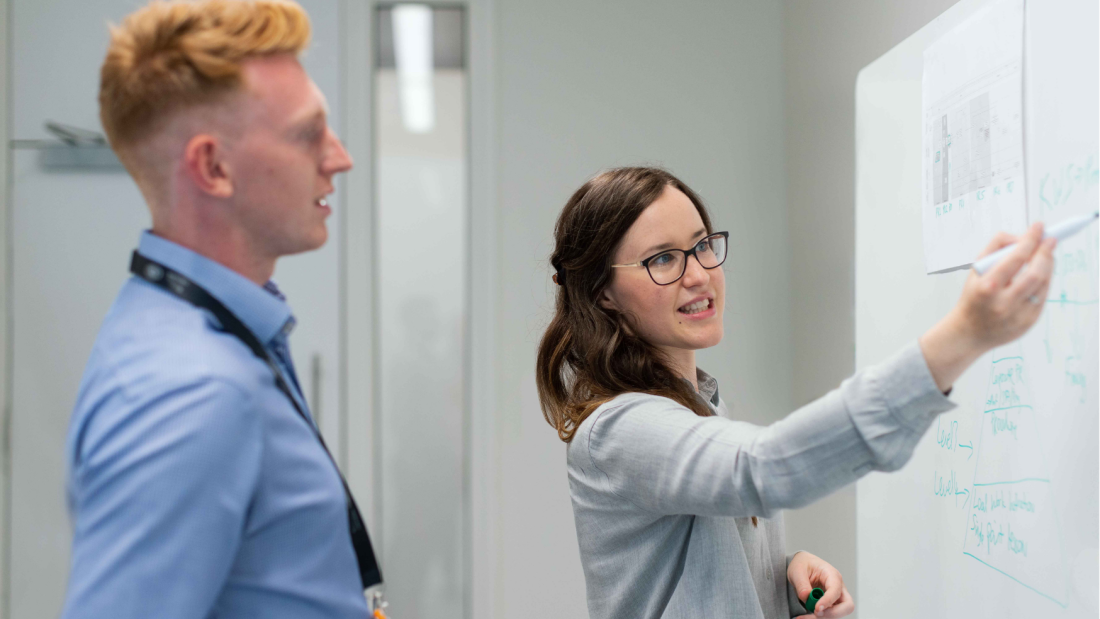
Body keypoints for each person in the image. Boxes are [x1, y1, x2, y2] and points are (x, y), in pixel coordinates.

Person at [535, 167, 1055, 619]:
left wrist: (778, 576)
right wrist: (962, 336)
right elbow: (762, 468)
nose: (699, 275)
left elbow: (696, 576)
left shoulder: (700, 407)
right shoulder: (617, 431)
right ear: (603, 292)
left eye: (701, 246)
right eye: (663, 259)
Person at [62, 1, 382, 617]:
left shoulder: (206, 332)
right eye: (308, 132)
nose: (338, 157)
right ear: (213, 166)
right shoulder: (189, 392)